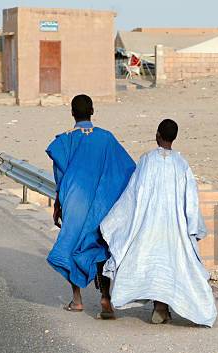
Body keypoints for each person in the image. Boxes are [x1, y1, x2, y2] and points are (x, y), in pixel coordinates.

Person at [100, 119, 217, 327]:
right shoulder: (182, 165)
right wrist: (193, 226)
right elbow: (191, 199)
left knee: (152, 262)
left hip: (149, 224)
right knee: (172, 264)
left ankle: (160, 308)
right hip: (175, 227)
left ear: (157, 135)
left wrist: (116, 221)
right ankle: (161, 308)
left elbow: (133, 195)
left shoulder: (147, 160)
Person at [46, 94, 135, 319]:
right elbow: (126, 170)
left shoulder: (64, 141)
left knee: (72, 246)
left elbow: (61, 178)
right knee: (101, 249)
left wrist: (58, 205)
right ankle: (106, 298)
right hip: (103, 205)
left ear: (72, 113)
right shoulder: (106, 138)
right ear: (93, 111)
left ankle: (77, 301)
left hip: (76, 204)